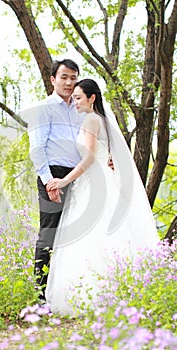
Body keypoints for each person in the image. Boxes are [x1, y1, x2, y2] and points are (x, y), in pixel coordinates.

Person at [45, 79, 159, 315]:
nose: (74, 102)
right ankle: (119, 293)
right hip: (104, 181)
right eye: (73, 97)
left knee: (89, 239)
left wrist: (64, 180)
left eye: (78, 98)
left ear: (92, 98)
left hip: (92, 185)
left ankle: (92, 297)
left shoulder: (89, 120)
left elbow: (88, 159)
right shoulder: (103, 121)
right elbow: (108, 154)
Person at [26, 59, 83, 302]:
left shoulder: (79, 108)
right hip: (53, 174)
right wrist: (50, 181)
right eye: (64, 77)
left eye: (73, 77)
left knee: (75, 234)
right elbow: (37, 148)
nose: (69, 82)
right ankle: (40, 296)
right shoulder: (44, 108)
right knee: (49, 233)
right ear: (52, 79)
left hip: (78, 176)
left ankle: (66, 293)